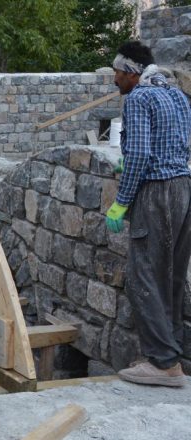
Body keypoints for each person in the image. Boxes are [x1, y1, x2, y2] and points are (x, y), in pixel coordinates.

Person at [106, 41, 191, 387]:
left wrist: (122, 201)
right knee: (169, 275)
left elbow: (140, 155)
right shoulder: (178, 96)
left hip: (158, 193)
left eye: (117, 72)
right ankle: (170, 352)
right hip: (184, 186)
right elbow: (179, 144)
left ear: (132, 72)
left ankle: (163, 363)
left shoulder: (139, 99)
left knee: (144, 276)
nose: (114, 79)